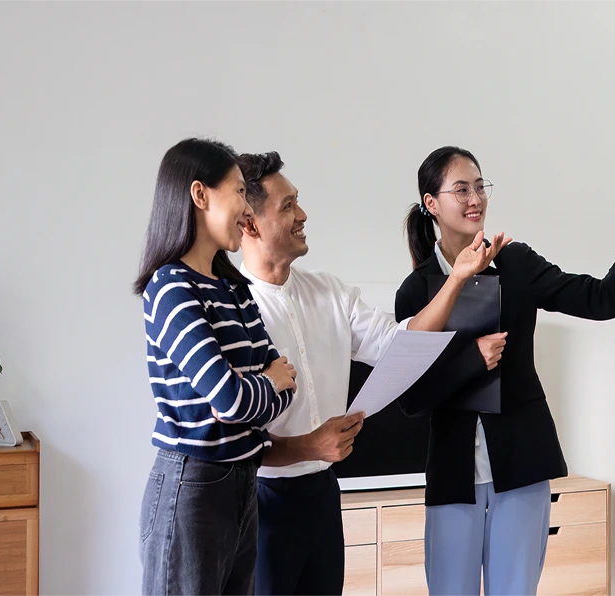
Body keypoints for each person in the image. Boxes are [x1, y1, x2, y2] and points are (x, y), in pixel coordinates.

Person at [233, 151, 511, 596]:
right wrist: (307, 446)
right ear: (249, 223)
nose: (303, 215)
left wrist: (456, 279)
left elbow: (401, 344)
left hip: (324, 494)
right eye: (288, 206)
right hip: (261, 501)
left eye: (297, 201)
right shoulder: (230, 308)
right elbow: (228, 436)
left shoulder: (329, 292)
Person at [397, 146, 615, 596]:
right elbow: (411, 399)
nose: (475, 199)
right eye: (461, 189)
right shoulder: (415, 291)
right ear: (432, 203)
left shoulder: (516, 263)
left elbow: (603, 299)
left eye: (480, 187)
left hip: (521, 465)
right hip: (452, 474)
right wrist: (471, 360)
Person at [134, 138, 298, 596]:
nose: (247, 208)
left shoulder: (234, 288)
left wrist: (257, 387)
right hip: (193, 486)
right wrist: (261, 384)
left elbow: (286, 385)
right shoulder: (171, 288)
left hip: (244, 484)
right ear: (200, 195)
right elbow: (230, 398)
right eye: (239, 191)